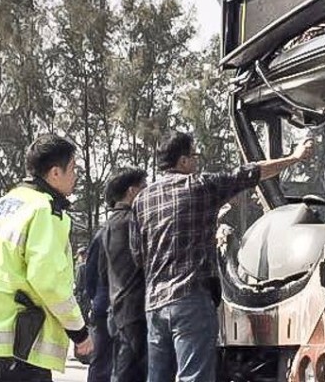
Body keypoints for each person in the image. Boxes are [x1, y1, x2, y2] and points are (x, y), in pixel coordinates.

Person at [133, 132, 314, 382]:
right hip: (190, 300)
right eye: (194, 157)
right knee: (194, 377)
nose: (196, 163)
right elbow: (250, 173)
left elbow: (137, 255)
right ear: (183, 161)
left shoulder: (142, 200)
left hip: (155, 304)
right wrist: (294, 157)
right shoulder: (199, 186)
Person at [0, 135, 93, 381]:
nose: (75, 176)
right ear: (55, 173)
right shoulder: (45, 210)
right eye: (73, 168)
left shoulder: (0, 206)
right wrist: (79, 331)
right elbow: (49, 280)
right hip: (21, 342)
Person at [100, 168, 148, 382]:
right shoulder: (133, 222)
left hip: (117, 309)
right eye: (144, 187)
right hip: (136, 311)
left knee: (122, 371)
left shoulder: (107, 226)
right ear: (132, 191)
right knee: (131, 374)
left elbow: (100, 275)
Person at [83, 203, 114, 382]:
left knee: (101, 362)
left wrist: (97, 297)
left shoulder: (101, 235)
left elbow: (90, 274)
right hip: (124, 307)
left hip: (103, 304)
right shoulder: (137, 228)